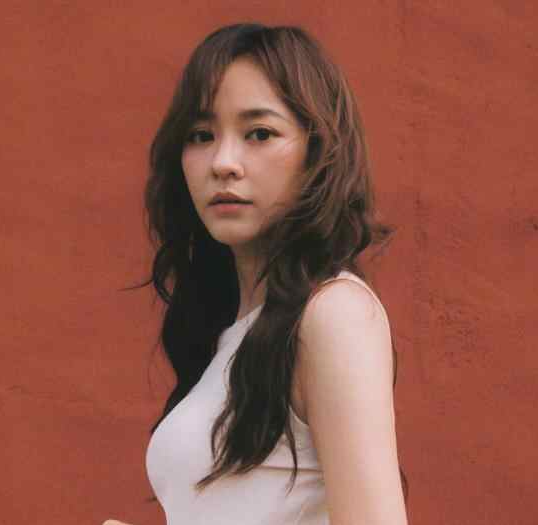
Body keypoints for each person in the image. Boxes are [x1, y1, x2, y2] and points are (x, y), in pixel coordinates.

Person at [107, 22, 409, 525]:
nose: (223, 163)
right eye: (201, 136)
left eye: (260, 134)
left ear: (318, 153)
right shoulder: (236, 330)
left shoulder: (332, 313)